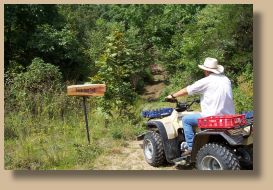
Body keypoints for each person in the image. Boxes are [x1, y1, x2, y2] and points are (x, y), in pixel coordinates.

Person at [165, 57, 235, 156]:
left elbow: (187, 90)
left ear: (206, 70)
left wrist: (172, 96)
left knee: (186, 120)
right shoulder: (226, 79)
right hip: (228, 116)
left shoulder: (206, 81)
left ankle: (190, 147)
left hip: (212, 116)